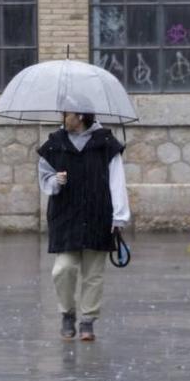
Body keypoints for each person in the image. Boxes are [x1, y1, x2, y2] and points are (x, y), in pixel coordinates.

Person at [37, 104, 130, 342]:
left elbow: (117, 181)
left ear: (80, 116)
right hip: (65, 216)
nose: (63, 118)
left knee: (93, 274)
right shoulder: (55, 143)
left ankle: (87, 320)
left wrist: (118, 216)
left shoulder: (106, 144)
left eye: (66, 114)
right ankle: (67, 313)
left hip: (99, 215)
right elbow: (44, 176)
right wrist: (55, 180)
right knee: (63, 269)